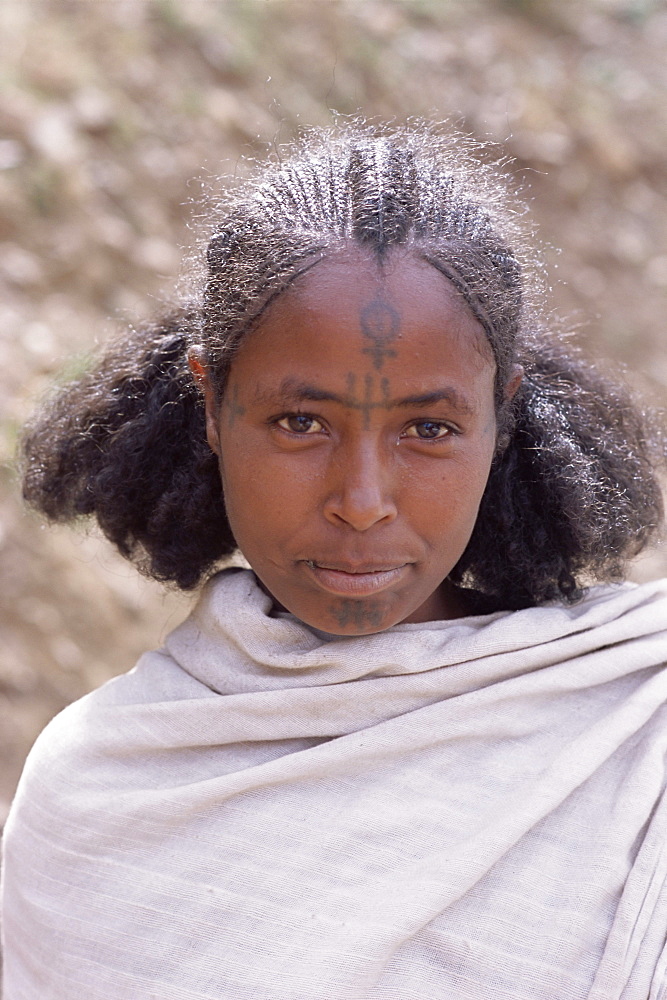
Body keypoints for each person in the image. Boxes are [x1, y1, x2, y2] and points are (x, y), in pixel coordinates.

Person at [2, 124, 667, 1000]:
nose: (361, 499)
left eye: (428, 430)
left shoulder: (631, 722)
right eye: (300, 423)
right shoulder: (98, 792)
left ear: (500, 416)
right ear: (212, 401)